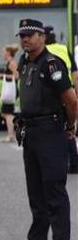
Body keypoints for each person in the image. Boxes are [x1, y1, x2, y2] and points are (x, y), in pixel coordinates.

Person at [9, 19, 78, 240]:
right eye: (22, 35)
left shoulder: (51, 64)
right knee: (36, 193)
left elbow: (72, 101)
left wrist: (69, 126)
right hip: (32, 133)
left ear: (41, 36)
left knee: (54, 190)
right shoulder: (25, 63)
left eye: (30, 35)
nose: (25, 39)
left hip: (50, 131)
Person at [44, 26, 78, 173]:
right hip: (67, 91)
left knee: (51, 129)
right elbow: (75, 74)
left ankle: (56, 162)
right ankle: (74, 162)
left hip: (51, 95)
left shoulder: (43, 52)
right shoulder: (64, 49)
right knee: (68, 128)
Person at [0, 45, 19, 142]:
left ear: (8, 53)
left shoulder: (12, 63)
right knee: (5, 113)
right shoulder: (9, 63)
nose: (2, 54)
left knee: (7, 114)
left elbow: (17, 76)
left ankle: (11, 135)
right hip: (9, 91)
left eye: (3, 52)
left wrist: (4, 75)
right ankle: (11, 134)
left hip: (11, 91)